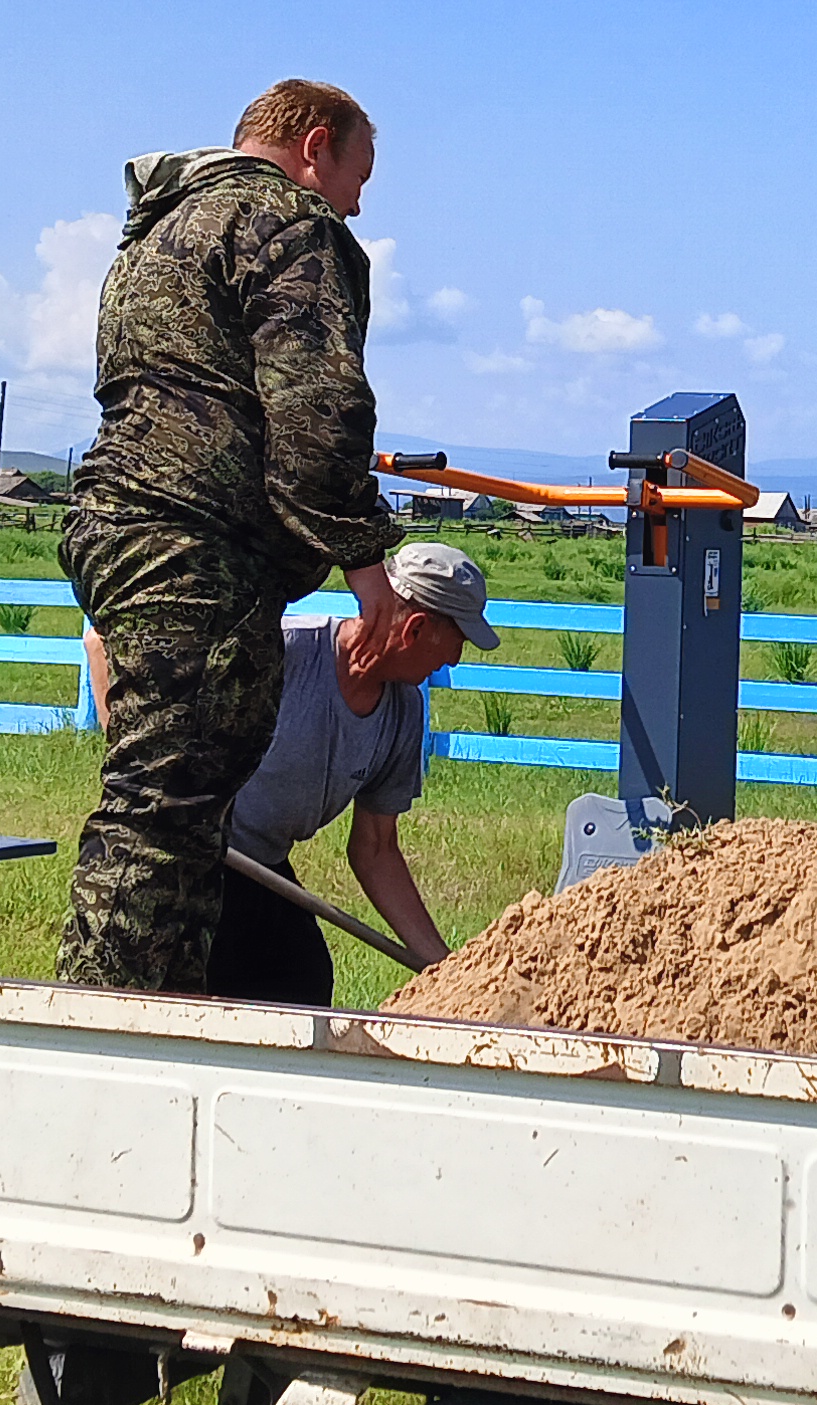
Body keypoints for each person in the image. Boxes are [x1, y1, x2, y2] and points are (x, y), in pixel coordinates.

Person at [57, 76, 405, 994]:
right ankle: (102, 1032)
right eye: (356, 175)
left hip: (123, 525)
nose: (357, 202)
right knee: (162, 810)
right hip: (193, 543)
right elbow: (319, 411)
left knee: (178, 800)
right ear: (314, 143)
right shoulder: (288, 222)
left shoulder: (157, 233)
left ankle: (170, 1008)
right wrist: (367, 568)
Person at [207, 538, 497, 1005]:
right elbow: (102, 643)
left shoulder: (403, 713)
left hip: (262, 868)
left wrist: (444, 969)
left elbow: (375, 849)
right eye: (457, 640)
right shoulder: (280, 650)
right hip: (191, 856)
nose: (455, 660)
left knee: (300, 980)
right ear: (416, 629)